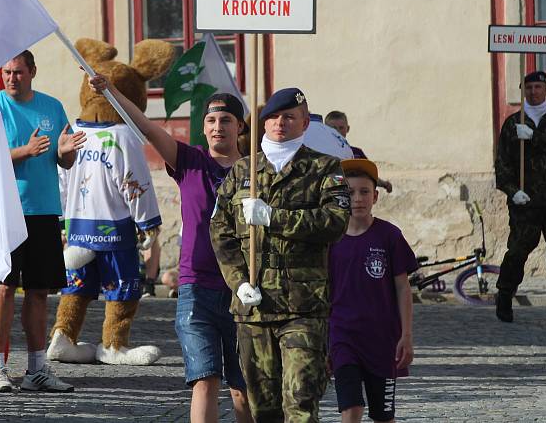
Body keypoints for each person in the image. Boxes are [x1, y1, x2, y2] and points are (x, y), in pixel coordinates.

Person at [88, 73, 253, 422]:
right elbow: (147, 127)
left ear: (240, 127)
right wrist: (112, 91)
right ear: (204, 128)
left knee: (244, 385)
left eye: (226, 120)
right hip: (196, 286)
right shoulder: (189, 161)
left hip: (244, 287)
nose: (217, 126)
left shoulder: (256, 171)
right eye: (211, 120)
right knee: (204, 378)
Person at [210, 87, 351, 423]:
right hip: (254, 306)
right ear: (262, 123)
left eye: (289, 117)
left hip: (303, 305)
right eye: (273, 117)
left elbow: (336, 222)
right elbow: (220, 231)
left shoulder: (324, 168)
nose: (280, 123)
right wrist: (238, 282)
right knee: (263, 407)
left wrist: (275, 217)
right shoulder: (243, 172)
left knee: (301, 398)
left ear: (304, 123)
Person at [0, 50, 84, 393]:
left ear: (33, 72)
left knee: (39, 292)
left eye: (19, 72)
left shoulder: (51, 106)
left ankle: (37, 368)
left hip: (43, 210)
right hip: (5, 211)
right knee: (4, 288)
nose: (12, 78)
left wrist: (67, 150)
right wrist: (23, 152)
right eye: (7, 72)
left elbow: (63, 160)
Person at [329, 159, 416, 423]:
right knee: (351, 408)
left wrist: (407, 335)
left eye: (364, 192)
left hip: (382, 340)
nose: (357, 199)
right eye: (350, 192)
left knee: (383, 415)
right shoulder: (330, 238)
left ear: (375, 196)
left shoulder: (389, 236)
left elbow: (403, 288)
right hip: (342, 336)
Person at [495, 71, 546, 325]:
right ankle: (504, 296)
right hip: (524, 203)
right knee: (517, 251)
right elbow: (502, 166)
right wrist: (513, 192)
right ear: (523, 90)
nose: (534, 91)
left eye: (538, 87)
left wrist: (535, 136)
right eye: (529, 87)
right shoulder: (513, 123)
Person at [324, 111, 393, 192]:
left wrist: (384, 184)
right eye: (333, 128)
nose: (338, 132)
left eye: (341, 128)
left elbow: (369, 174)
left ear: (348, 129)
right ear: (324, 129)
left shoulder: (357, 153)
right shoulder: (318, 152)